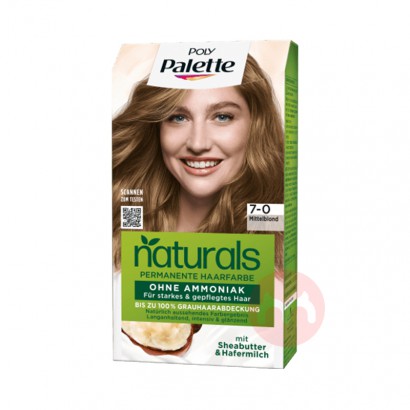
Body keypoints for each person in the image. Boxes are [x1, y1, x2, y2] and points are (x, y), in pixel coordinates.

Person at [113, 55, 284, 274]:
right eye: (178, 118)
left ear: (256, 125)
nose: (197, 144)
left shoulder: (277, 229)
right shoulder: (121, 226)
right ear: (157, 128)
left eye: (222, 117)